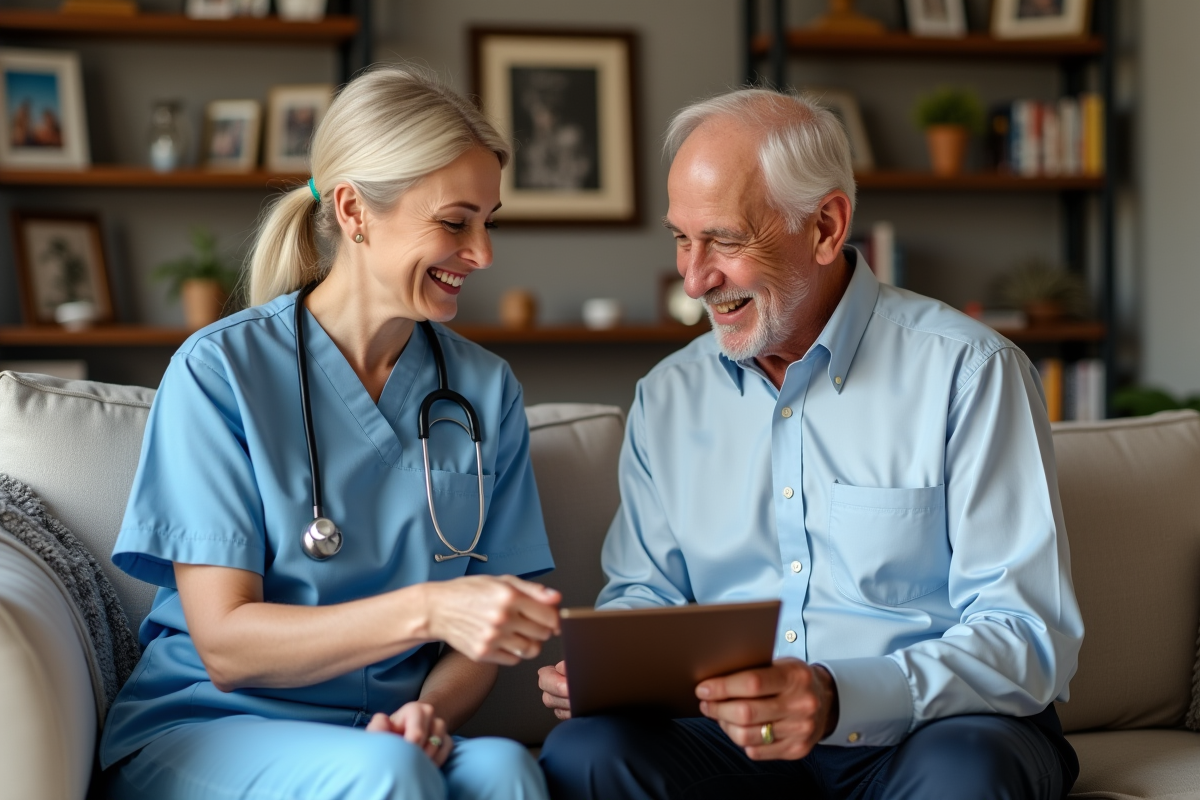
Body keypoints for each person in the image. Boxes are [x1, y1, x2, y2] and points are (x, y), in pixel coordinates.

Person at [537, 88, 1085, 799]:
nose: (694, 278)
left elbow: (1027, 634)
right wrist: (609, 669)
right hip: (737, 740)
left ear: (825, 226)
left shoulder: (969, 372)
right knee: (585, 752)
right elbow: (648, 593)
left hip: (932, 730)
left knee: (964, 772)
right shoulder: (668, 396)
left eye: (725, 240)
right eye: (681, 238)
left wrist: (835, 696)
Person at [100, 66, 559, 800]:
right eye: (455, 222)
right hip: (214, 724)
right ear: (353, 210)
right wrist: (428, 610)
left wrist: (425, 715)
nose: (482, 254)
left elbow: (487, 631)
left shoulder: (484, 390)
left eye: (489, 222)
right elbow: (226, 647)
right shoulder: (221, 372)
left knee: (506, 769)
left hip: (383, 734)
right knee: (388, 773)